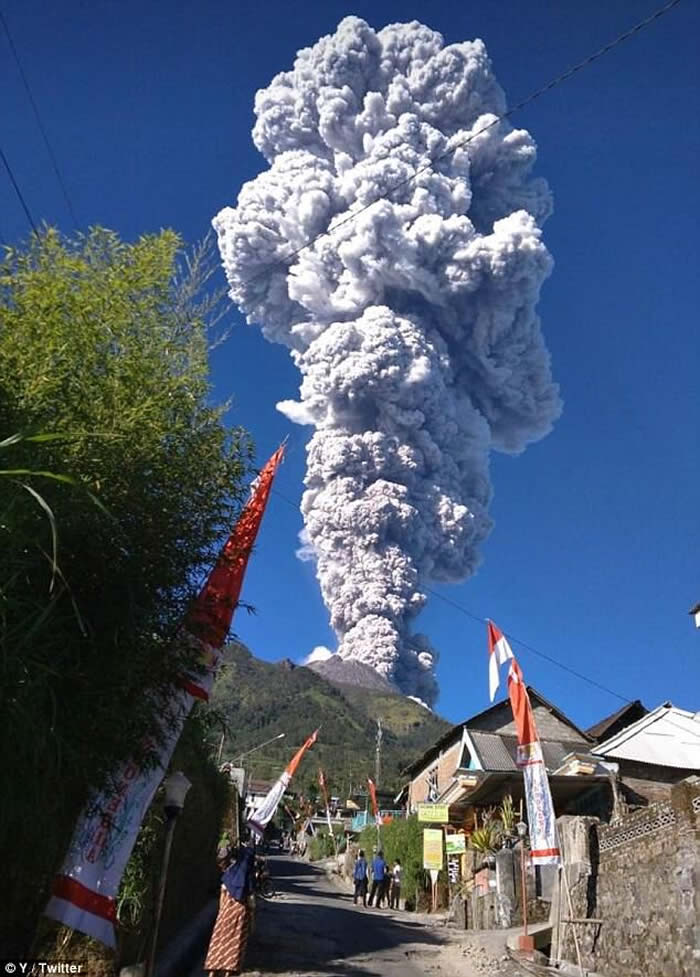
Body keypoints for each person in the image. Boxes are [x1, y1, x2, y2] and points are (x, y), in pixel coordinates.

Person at [204, 843, 255, 977]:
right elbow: (251, 903)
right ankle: (228, 974)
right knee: (234, 949)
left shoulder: (227, 876)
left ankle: (212, 973)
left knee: (218, 945)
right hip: (240, 918)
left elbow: (221, 901)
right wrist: (252, 922)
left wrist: (221, 916)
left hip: (224, 917)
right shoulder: (247, 879)